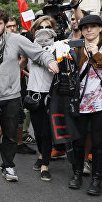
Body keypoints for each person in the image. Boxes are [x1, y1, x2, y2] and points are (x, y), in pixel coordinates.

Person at [0, 7, 58, 184]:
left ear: (4, 24)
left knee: (10, 134)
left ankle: (8, 166)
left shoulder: (16, 40)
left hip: (10, 96)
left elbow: (38, 52)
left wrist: (50, 60)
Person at [68, 15, 102, 195]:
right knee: (78, 141)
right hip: (81, 101)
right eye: (85, 28)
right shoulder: (77, 48)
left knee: (99, 143)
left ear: (100, 28)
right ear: (81, 31)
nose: (89, 30)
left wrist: (96, 55)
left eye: (93, 26)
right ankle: (76, 174)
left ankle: (96, 179)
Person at [25, 16, 59, 181]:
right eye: (40, 27)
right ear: (34, 31)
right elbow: (21, 65)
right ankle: (41, 155)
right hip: (33, 94)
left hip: (50, 94)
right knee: (37, 130)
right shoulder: (29, 48)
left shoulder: (58, 47)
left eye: (48, 26)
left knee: (46, 132)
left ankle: (45, 164)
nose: (44, 30)